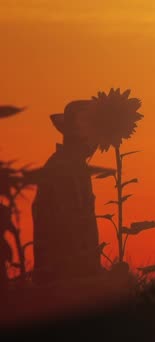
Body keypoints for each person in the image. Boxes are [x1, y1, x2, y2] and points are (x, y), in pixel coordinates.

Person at [32, 100, 101, 284]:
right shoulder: (64, 170)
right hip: (64, 281)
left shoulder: (72, 167)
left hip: (67, 278)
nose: (95, 143)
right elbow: (71, 233)